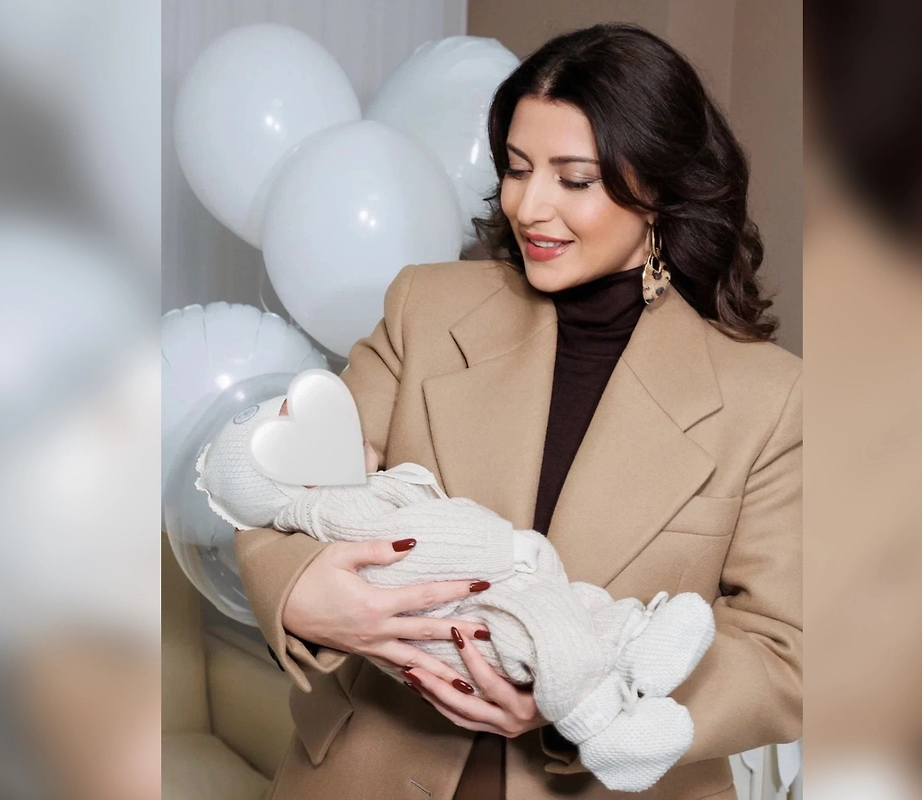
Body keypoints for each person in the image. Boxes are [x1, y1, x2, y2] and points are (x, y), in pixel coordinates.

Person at [236, 22, 802, 800]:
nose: (529, 206)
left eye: (575, 179)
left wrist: (579, 710)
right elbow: (290, 489)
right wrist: (299, 595)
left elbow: (781, 651)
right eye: (516, 168)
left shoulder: (768, 396)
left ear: (660, 190)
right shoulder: (425, 309)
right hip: (368, 767)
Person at [198, 391, 717, 791]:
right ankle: (604, 727)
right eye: (304, 431)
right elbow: (418, 541)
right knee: (553, 633)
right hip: (476, 616)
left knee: (578, 611)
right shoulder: (334, 506)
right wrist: (503, 546)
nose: (341, 421)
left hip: (504, 597)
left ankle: (635, 644)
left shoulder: (352, 487)